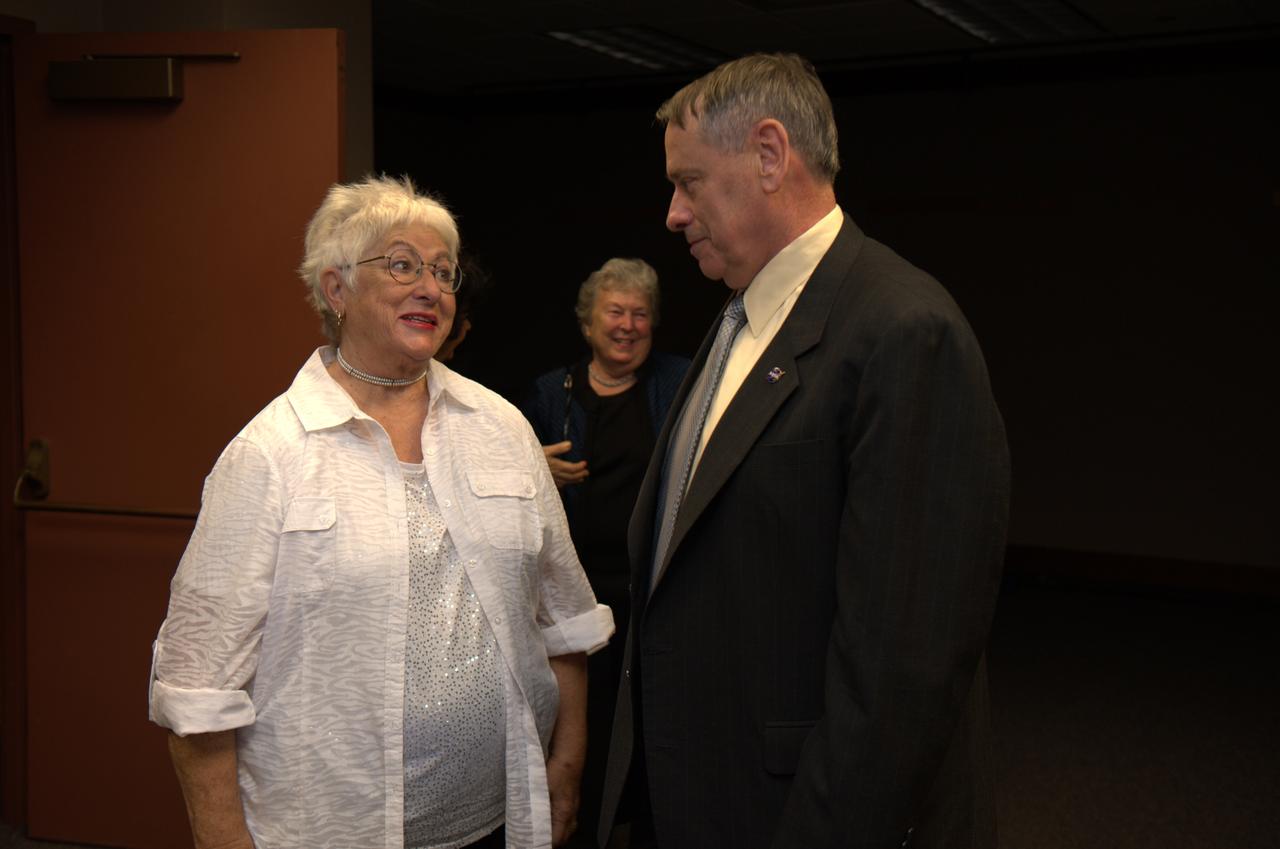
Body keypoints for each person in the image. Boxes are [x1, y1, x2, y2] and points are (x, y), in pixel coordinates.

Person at [598, 54, 1010, 849]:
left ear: (768, 154)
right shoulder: (739, 317)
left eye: (689, 182)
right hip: (706, 793)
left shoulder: (903, 332)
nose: (673, 214)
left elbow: (903, 673)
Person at [149, 175, 614, 849]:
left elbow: (566, 619)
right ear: (336, 289)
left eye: (443, 272)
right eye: (401, 264)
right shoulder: (270, 454)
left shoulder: (502, 428)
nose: (431, 287)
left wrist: (565, 772)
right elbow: (197, 689)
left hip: (501, 823)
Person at [520, 258, 688, 848]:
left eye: (640, 314)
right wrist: (535, 467)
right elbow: (512, 484)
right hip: (575, 598)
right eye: (615, 312)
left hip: (651, 591)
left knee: (651, 726)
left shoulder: (679, 382)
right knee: (576, 727)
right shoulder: (549, 392)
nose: (628, 325)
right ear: (588, 324)